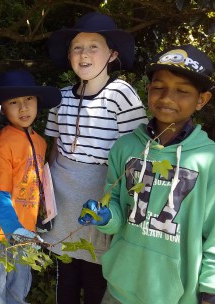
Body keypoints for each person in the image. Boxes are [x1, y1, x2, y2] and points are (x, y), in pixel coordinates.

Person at [78, 44, 215, 304]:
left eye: (183, 91)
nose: (167, 98)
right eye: (158, 87)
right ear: (148, 90)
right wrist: (105, 215)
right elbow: (118, 211)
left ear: (202, 99)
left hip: (176, 297)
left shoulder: (209, 160)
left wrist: (210, 289)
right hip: (119, 289)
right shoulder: (125, 148)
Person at [42, 12, 148, 303]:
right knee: (65, 273)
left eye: (93, 47)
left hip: (102, 195)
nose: (84, 54)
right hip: (63, 194)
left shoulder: (121, 94)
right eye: (77, 47)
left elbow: (137, 150)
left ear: (112, 54)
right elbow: (55, 147)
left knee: (95, 274)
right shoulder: (59, 97)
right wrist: (45, 196)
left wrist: (126, 201)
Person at [0, 69, 61, 303]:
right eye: (14, 102)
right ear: (2, 108)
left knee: (18, 291)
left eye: (29, 99)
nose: (23, 108)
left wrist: (38, 222)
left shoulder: (40, 142)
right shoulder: (3, 141)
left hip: (27, 232)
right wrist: (13, 228)